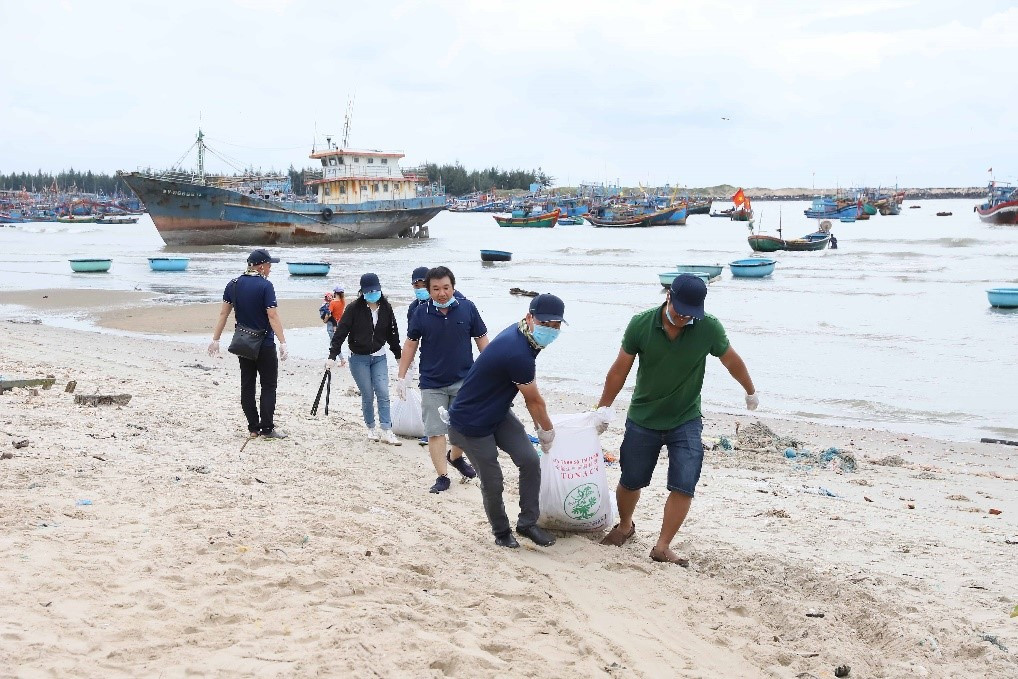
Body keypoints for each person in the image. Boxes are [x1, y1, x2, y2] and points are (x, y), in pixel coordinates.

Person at [596, 274, 757, 566]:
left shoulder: (709, 327)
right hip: (643, 417)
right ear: (668, 296)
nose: (683, 318)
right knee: (631, 481)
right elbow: (619, 370)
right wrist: (603, 408)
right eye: (679, 311)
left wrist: (750, 391)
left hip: (686, 418)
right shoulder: (641, 324)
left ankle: (662, 546)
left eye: (690, 314)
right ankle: (625, 526)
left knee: (684, 482)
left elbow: (731, 360)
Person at [447, 294, 565, 549]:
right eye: (546, 324)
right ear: (530, 317)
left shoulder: (524, 335)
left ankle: (527, 523)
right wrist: (546, 431)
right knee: (493, 481)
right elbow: (534, 401)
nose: (551, 330)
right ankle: (501, 532)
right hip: (471, 422)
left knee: (530, 460)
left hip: (498, 412)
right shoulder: (518, 351)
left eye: (556, 326)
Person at [396, 266, 487, 494]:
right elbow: (410, 344)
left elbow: (482, 339)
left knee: (463, 429)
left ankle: (455, 457)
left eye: (446, 288)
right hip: (432, 383)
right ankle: (442, 476)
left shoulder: (467, 308)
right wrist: (402, 375)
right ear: (428, 290)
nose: (441, 293)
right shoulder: (420, 312)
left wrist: (491, 371)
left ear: (453, 287)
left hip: (464, 380)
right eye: (435, 289)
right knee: (435, 431)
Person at [208, 248, 289, 439]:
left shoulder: (233, 284)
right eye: (269, 265)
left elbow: (223, 314)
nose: (270, 269)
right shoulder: (265, 286)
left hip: (243, 343)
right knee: (268, 385)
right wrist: (283, 342)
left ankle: (253, 427)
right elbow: (272, 315)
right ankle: (267, 429)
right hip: (264, 343)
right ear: (260, 266)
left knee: (247, 384)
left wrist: (216, 339)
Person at [326, 273, 402, 445]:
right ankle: (371, 427)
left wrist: (398, 356)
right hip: (358, 358)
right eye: (369, 291)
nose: (373, 293)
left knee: (383, 391)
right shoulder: (353, 308)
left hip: (379, 356)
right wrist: (332, 355)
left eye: (376, 290)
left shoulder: (386, 308)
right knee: (368, 394)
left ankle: (387, 429)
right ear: (362, 292)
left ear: (380, 289)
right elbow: (341, 332)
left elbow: (393, 333)